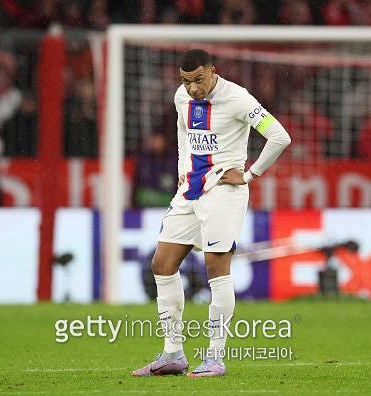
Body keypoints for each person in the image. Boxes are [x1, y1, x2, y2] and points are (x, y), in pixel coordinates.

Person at [132, 49, 291, 378]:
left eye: (198, 80)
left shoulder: (239, 99)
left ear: (212, 71)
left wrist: (249, 174)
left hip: (224, 191)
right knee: (162, 263)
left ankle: (215, 357)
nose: (192, 88)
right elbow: (182, 131)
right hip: (190, 190)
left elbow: (279, 136)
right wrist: (181, 168)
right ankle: (173, 354)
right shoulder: (181, 96)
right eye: (186, 81)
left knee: (215, 267)